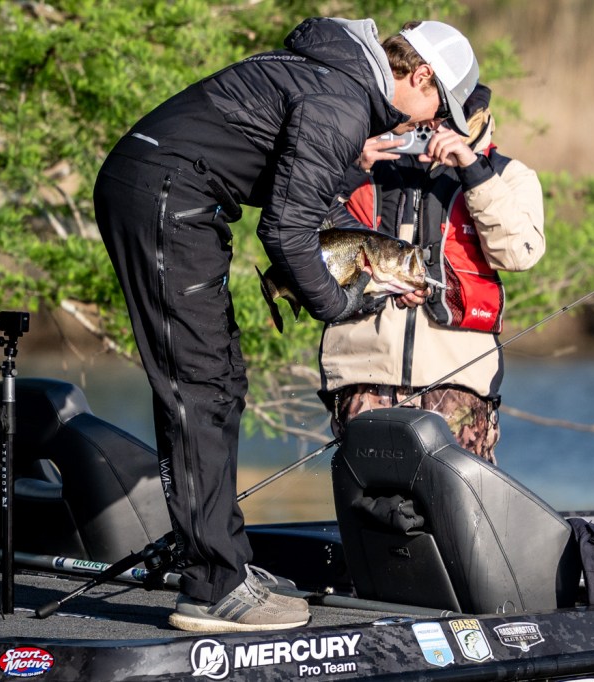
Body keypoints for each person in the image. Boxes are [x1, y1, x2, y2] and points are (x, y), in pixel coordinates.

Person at [93, 17, 479, 633]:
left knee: (219, 382)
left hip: (171, 196)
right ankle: (214, 586)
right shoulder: (342, 101)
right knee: (201, 386)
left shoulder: (335, 85)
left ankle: (225, 566)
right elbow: (285, 232)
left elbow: (306, 209)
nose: (426, 127)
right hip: (165, 197)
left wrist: (353, 182)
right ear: (422, 77)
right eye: (437, 112)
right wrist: (342, 304)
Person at [318, 75, 545, 465]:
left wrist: (472, 169)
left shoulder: (507, 176)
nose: (431, 125)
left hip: (458, 385)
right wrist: (349, 167)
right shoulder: (361, 164)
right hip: (362, 379)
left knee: (457, 502)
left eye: (445, 116)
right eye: (426, 115)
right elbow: (298, 229)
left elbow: (519, 253)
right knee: (368, 500)